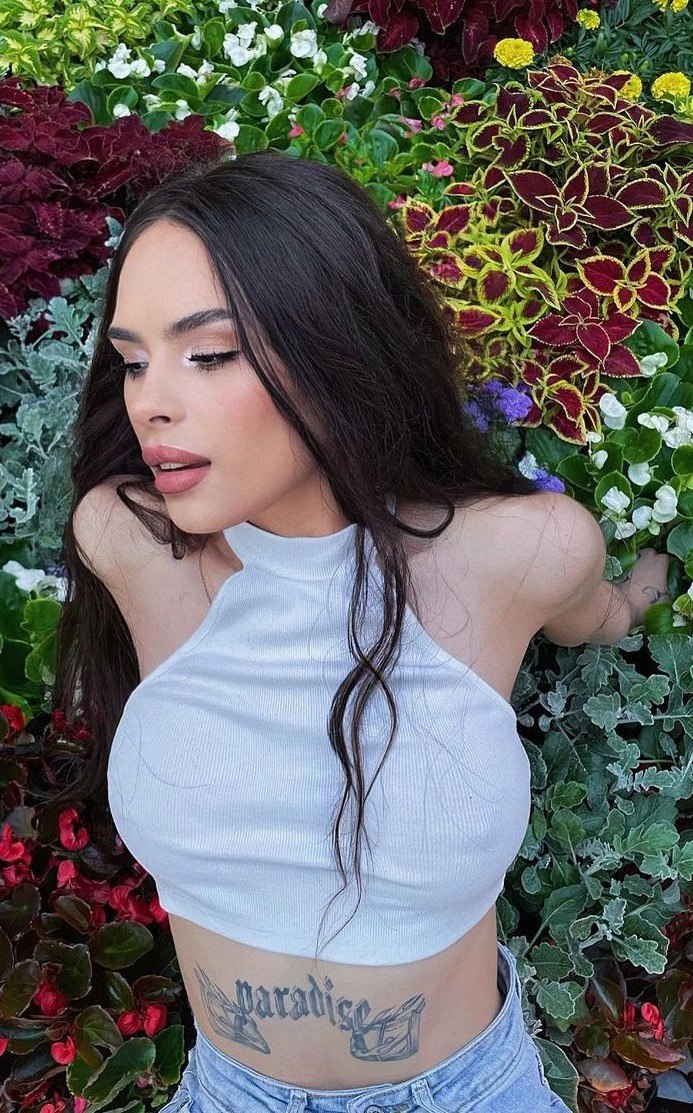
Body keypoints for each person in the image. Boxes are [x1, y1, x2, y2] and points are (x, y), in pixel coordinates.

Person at [50, 150, 670, 1113]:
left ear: (337, 347)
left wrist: (640, 591)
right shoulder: (130, 540)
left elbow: (597, 614)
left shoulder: (516, 552)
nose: (150, 401)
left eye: (208, 354)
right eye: (133, 360)